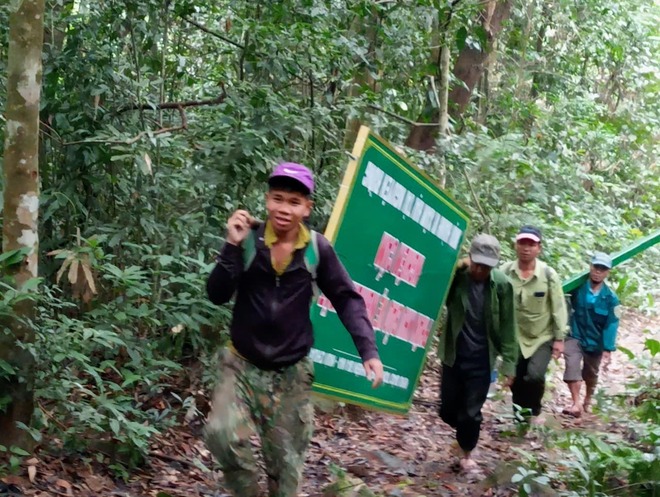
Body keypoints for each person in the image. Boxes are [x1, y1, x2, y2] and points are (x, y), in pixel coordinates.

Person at [205, 162, 384, 497]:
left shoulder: (318, 249)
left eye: (293, 202)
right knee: (221, 435)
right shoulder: (248, 242)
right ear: (267, 199)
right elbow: (216, 295)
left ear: (306, 208)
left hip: (291, 375)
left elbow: (347, 299)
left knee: (285, 475)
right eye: (277, 198)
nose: (283, 209)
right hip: (241, 364)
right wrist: (231, 245)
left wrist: (368, 351)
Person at [439, 234, 518, 472]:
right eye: (476, 264)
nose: (480, 270)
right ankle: (463, 433)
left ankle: (467, 454)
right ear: (470, 258)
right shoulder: (457, 278)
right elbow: (437, 286)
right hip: (454, 355)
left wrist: (509, 365)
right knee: (447, 409)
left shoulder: (502, 284)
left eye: (486, 266)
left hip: (482, 359)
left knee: (471, 413)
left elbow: (508, 325)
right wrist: (458, 266)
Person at [501, 225, 568, 424]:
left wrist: (559, 338)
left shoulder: (548, 274)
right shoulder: (504, 272)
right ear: (516, 245)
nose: (526, 248)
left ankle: (534, 409)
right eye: (522, 243)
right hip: (514, 337)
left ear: (539, 248)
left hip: (542, 336)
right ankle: (520, 418)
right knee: (516, 378)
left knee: (534, 376)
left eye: (531, 244)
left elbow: (558, 307)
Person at [562, 252, 620, 417]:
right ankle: (576, 403)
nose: (598, 272)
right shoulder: (578, 287)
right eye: (596, 267)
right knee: (572, 365)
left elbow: (612, 323)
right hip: (575, 335)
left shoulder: (611, 298)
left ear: (607, 272)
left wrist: (607, 348)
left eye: (603, 269)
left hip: (595, 341)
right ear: (590, 267)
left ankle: (588, 398)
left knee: (590, 372)